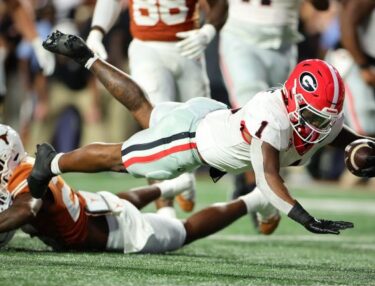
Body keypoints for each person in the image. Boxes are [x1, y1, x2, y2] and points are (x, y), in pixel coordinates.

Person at [29, 31, 368, 235]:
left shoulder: (317, 116)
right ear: (294, 100)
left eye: (326, 119)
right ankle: (52, 161)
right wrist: (303, 217)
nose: (319, 126)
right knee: (121, 159)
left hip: (210, 116)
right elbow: (266, 178)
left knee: (146, 112)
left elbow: (350, 140)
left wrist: (366, 152)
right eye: (312, 116)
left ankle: (86, 57)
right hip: (189, 141)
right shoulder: (274, 116)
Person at [0, 124, 280, 252]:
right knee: (115, 202)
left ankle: (256, 199)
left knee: (185, 232)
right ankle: (176, 184)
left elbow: (24, 210)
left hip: (122, 233)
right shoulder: (27, 166)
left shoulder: (24, 178)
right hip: (89, 207)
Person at [85, 0, 228, 217]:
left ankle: (186, 178)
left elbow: (220, 4)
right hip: (146, 47)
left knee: (203, 125)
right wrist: (97, 31)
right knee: (157, 126)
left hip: (188, 47)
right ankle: (165, 210)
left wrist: (207, 31)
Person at [219, 0, 330, 202]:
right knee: (251, 110)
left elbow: (322, 5)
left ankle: (254, 180)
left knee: (284, 114)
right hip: (240, 39)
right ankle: (255, 186)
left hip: (284, 43)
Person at [325, 0, 375, 137]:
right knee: (364, 129)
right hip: (354, 63)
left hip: (366, 63)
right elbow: (346, 24)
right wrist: (363, 66)